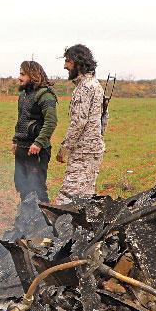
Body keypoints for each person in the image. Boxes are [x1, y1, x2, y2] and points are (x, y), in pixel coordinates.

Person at [55, 44, 105, 204]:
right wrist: (98, 140)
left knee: (66, 201)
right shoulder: (96, 85)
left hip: (83, 153)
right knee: (84, 201)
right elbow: (105, 119)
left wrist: (64, 149)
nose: (65, 66)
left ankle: (62, 229)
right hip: (93, 151)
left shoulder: (84, 88)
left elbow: (78, 123)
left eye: (68, 61)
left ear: (78, 62)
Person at [12, 60, 57, 203]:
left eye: (23, 74)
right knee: (22, 187)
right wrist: (15, 141)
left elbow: (51, 122)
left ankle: (45, 222)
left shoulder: (46, 95)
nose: (19, 77)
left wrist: (38, 143)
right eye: (20, 73)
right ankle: (25, 221)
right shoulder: (23, 95)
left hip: (36, 151)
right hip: (22, 148)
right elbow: (21, 120)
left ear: (33, 75)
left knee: (38, 189)